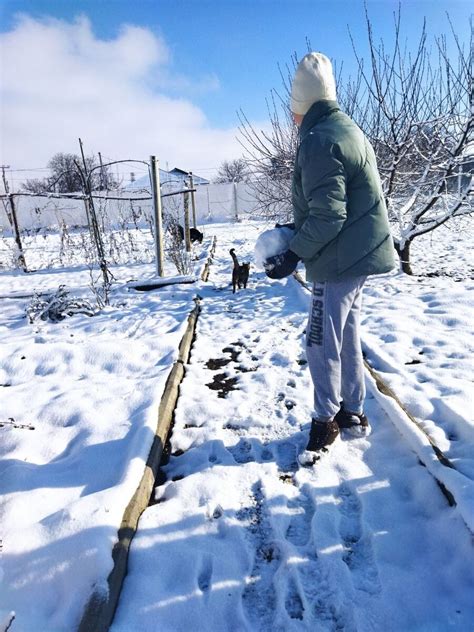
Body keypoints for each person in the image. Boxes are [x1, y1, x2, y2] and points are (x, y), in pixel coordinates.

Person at [264, 52, 396, 465]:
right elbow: (332, 203)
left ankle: (325, 422)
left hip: (338, 258)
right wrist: (295, 229)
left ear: (302, 106)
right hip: (357, 254)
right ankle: (352, 412)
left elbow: (328, 214)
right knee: (346, 335)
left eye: (293, 112)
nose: (293, 120)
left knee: (320, 340)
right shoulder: (346, 129)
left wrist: (293, 252)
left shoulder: (320, 140)